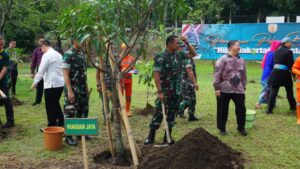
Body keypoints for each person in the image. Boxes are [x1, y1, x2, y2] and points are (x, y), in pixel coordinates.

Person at [144, 35, 197, 145]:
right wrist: (159, 91)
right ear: (169, 44)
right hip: (165, 91)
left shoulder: (179, 54)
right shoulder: (161, 56)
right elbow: (156, 74)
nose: (179, 45)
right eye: (177, 43)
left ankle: (167, 137)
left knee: (172, 114)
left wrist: (186, 42)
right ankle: (151, 136)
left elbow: (193, 54)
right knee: (158, 113)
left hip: (176, 91)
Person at [213, 40, 247, 136]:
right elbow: (217, 73)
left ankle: (241, 128)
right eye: (238, 45)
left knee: (241, 108)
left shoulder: (241, 60)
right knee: (222, 109)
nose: (239, 47)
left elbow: (244, 75)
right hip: (224, 88)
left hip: (238, 89)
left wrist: (244, 86)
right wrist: (216, 88)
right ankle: (222, 128)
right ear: (231, 47)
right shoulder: (222, 59)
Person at [31, 40, 64, 127]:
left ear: (44, 46)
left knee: (50, 105)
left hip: (51, 83)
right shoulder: (59, 55)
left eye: (40, 48)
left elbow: (41, 71)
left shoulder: (47, 55)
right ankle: (61, 121)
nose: (40, 50)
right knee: (55, 103)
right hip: (60, 83)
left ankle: (51, 124)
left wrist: (35, 82)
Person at [63, 39, 89, 146]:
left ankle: (80, 133)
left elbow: (84, 73)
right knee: (70, 111)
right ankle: (68, 137)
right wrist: (70, 91)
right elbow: (65, 74)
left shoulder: (82, 55)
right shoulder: (68, 55)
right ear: (74, 41)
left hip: (82, 88)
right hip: (73, 88)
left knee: (82, 110)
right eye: (80, 40)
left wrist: (86, 88)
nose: (83, 42)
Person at [267, 37, 296, 114]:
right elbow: (291, 65)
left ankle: (269, 110)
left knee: (273, 93)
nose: (291, 44)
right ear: (286, 43)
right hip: (284, 73)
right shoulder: (289, 52)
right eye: (290, 42)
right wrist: (294, 76)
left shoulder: (276, 51)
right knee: (289, 92)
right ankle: (293, 107)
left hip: (275, 73)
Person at [255, 40, 281, 109]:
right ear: (276, 46)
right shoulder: (271, 53)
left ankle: (272, 103)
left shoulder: (272, 52)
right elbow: (270, 63)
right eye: (279, 46)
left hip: (270, 74)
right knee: (266, 89)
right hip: (268, 75)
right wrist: (278, 64)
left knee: (272, 89)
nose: (280, 47)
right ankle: (258, 103)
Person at [178, 43, 199, 121]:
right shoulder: (187, 58)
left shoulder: (188, 57)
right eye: (194, 48)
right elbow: (189, 70)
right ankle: (175, 112)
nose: (195, 50)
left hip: (188, 82)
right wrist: (195, 82)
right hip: (186, 82)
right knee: (187, 100)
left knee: (193, 99)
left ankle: (191, 115)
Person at [0, 37, 14, 128]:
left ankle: (10, 121)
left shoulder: (4, 54)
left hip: (3, 81)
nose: (0, 45)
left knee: (6, 100)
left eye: (1, 44)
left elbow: (5, 68)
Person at [119, 43, 136, 117]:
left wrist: (135, 71)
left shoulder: (131, 58)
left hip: (129, 80)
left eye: (128, 48)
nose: (127, 50)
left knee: (128, 96)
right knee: (120, 96)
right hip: (121, 80)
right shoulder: (119, 58)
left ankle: (127, 110)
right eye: (126, 48)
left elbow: (134, 69)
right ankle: (120, 110)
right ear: (122, 49)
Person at [31, 36, 45, 106]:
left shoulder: (49, 50)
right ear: (38, 42)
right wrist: (32, 72)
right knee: (39, 86)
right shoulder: (36, 50)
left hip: (48, 70)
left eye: (43, 41)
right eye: (40, 41)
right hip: (39, 69)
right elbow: (33, 61)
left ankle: (48, 102)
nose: (42, 42)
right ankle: (37, 101)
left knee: (48, 87)